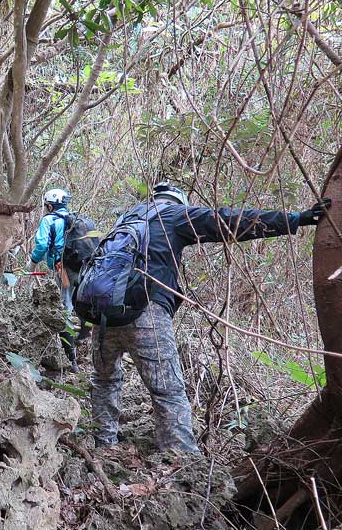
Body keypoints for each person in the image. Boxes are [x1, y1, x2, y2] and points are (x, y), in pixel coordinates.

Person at [89, 180, 331, 453]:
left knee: (104, 380)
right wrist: (294, 219)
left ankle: (103, 444)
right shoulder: (173, 214)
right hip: (147, 314)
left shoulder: (125, 219)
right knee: (168, 392)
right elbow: (227, 221)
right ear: (179, 202)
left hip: (103, 316)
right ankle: (181, 458)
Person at [25, 188, 97, 373]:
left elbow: (41, 245)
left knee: (64, 309)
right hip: (85, 268)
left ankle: (70, 357)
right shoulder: (78, 220)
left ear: (49, 205)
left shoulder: (49, 220)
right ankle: (84, 335)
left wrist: (32, 263)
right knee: (81, 303)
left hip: (63, 269)